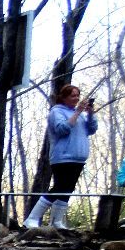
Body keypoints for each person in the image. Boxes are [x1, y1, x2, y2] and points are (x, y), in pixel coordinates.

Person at [24, 84, 98, 229]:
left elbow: (92, 129)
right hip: (62, 157)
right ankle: (32, 218)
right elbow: (61, 129)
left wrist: (90, 114)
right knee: (60, 187)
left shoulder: (81, 116)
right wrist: (76, 113)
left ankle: (56, 221)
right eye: (72, 96)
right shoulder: (56, 112)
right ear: (63, 97)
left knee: (67, 189)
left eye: (77, 95)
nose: (76, 98)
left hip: (78, 158)